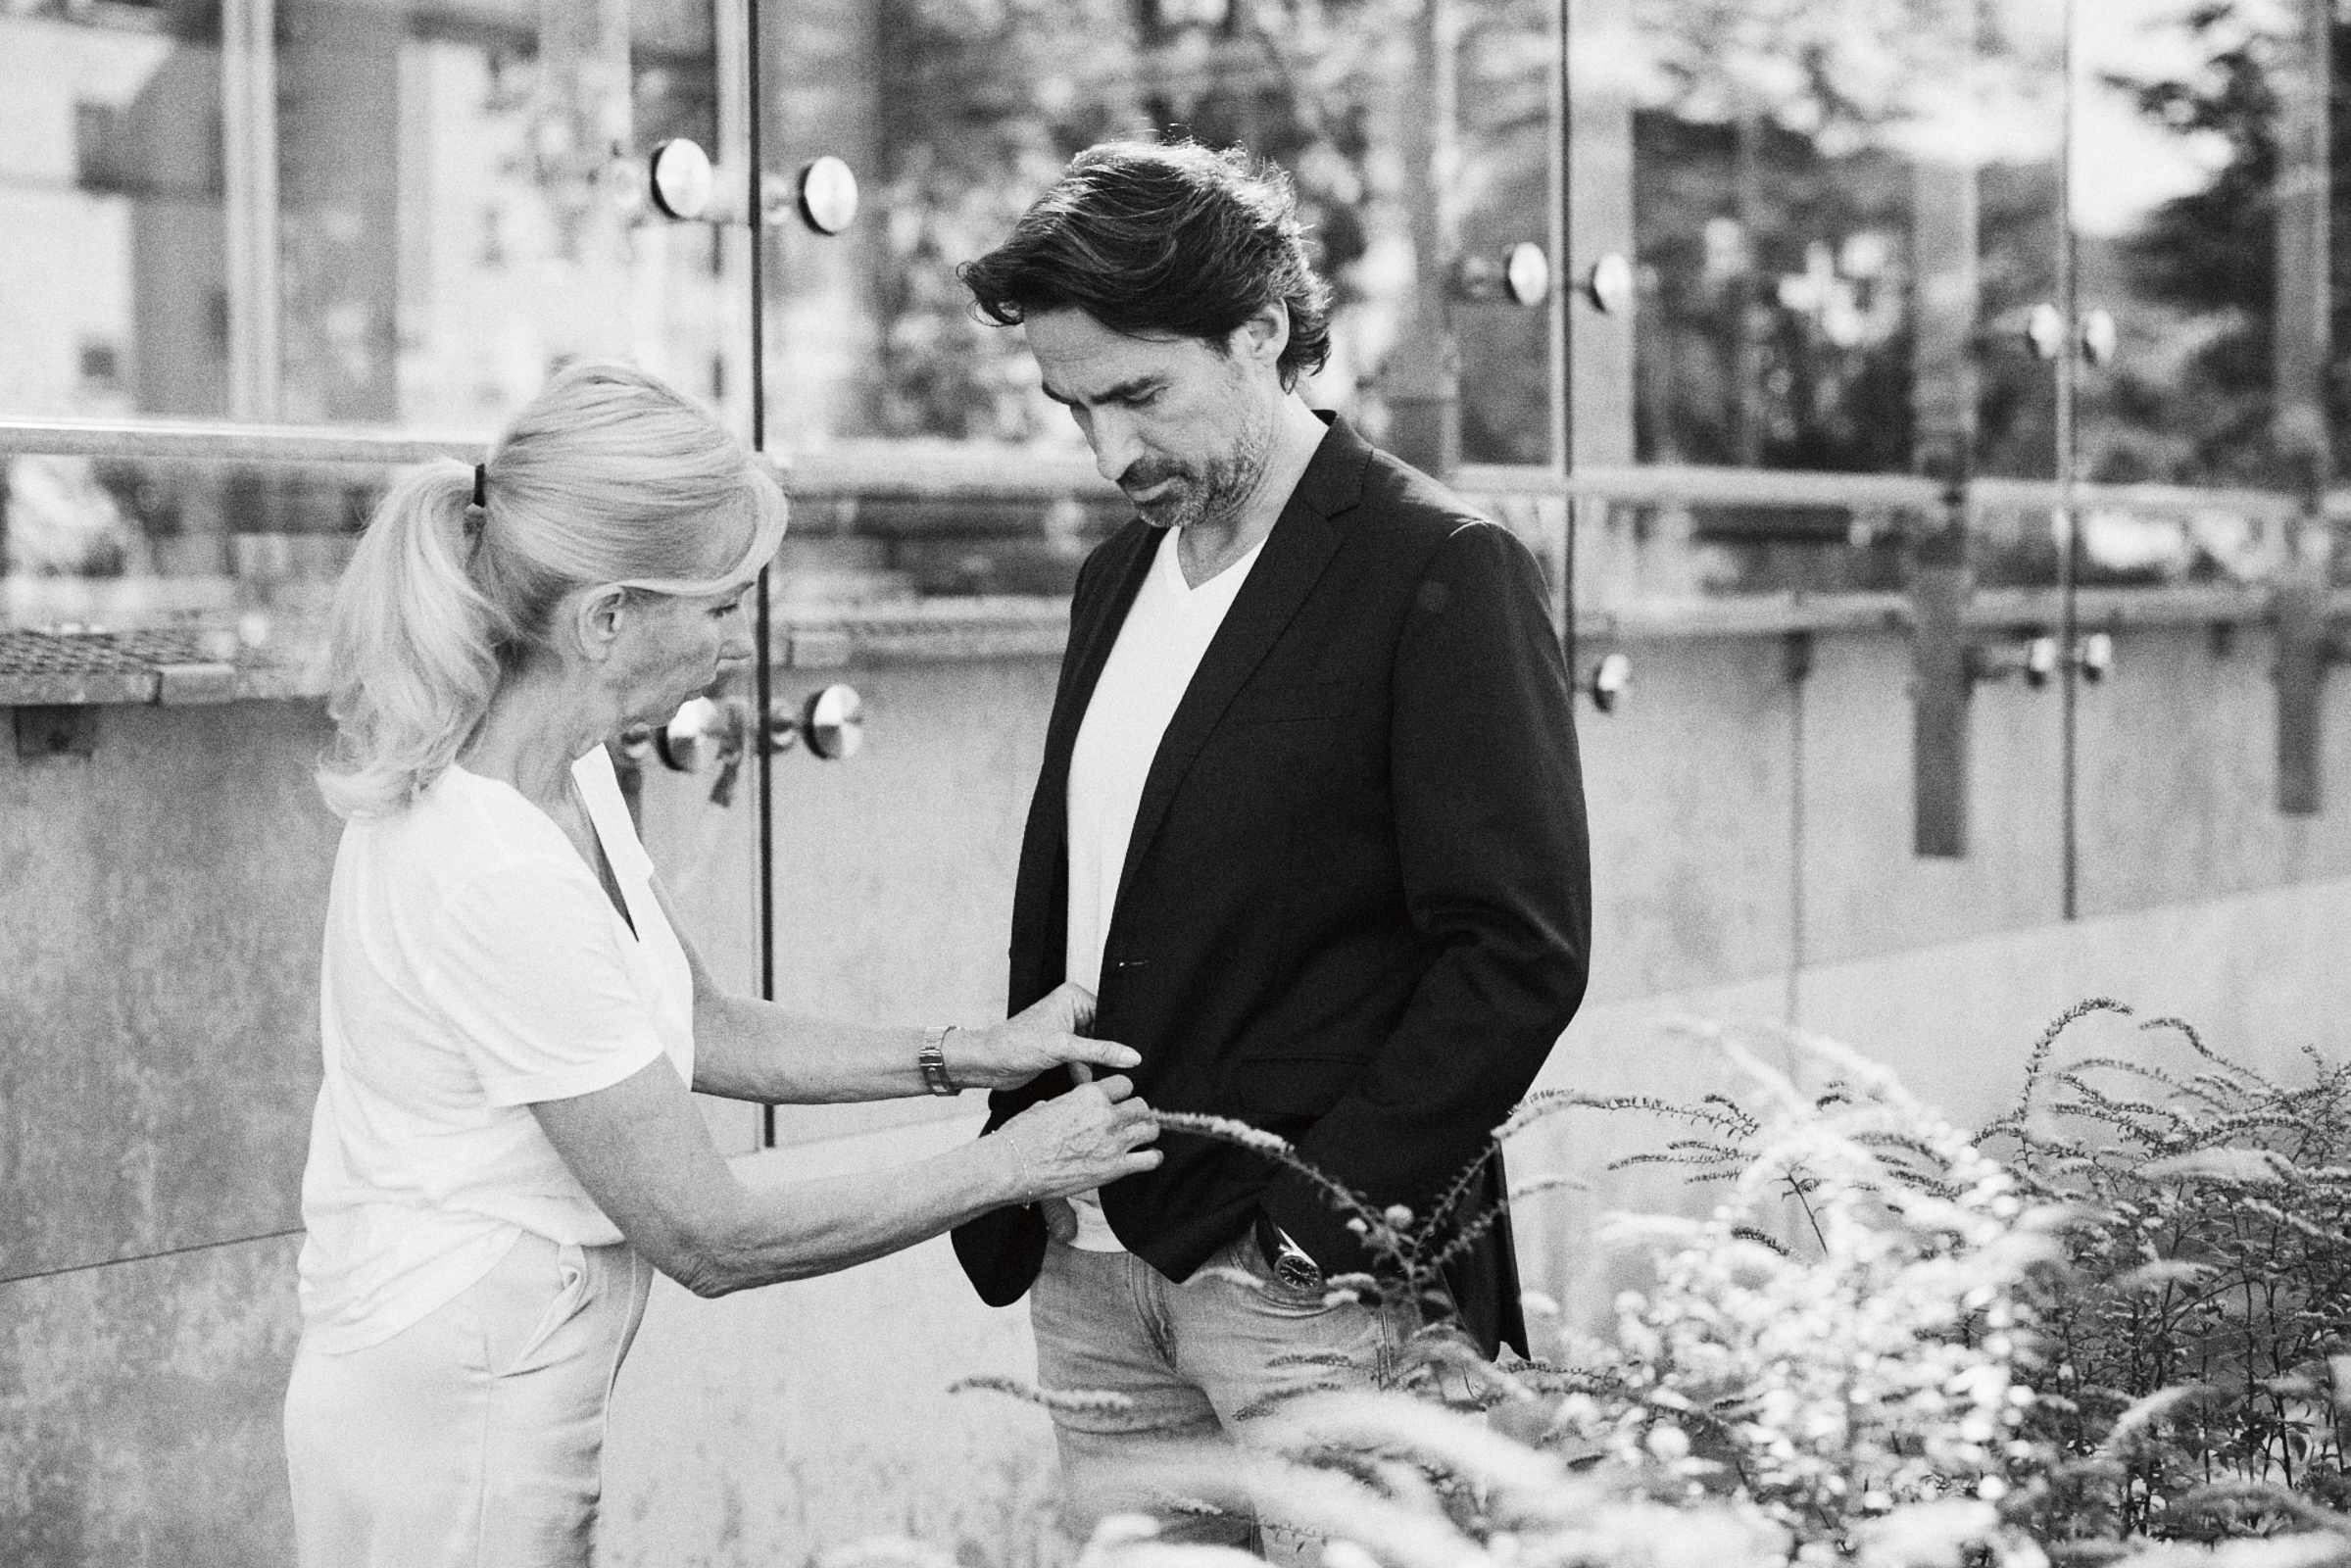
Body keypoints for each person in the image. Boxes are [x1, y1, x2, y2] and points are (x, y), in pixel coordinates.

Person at [282, 359, 1161, 1568]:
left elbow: (697, 1022)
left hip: (511, 1364)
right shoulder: (492, 870)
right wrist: (1016, 1161)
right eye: (717, 606)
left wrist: (971, 1054)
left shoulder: (570, 770)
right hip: (456, 1409)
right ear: (606, 619)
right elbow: (709, 1235)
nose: (734, 643)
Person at [948, 141, 1592, 1551]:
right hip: (1089, 1253)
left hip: (1304, 1287)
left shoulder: (1438, 565)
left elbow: (1516, 951)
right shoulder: (1113, 576)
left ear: (1260, 336)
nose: (1111, 451)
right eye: (1072, 407)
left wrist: (1313, 1227)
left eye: (1138, 394)